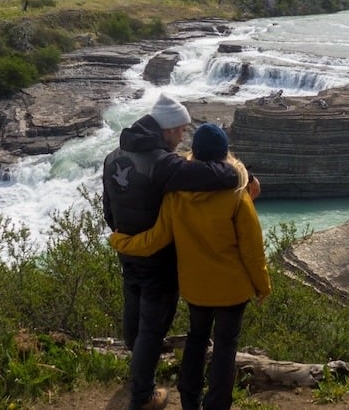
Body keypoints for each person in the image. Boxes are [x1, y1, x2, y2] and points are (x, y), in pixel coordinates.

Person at [102, 94, 255, 410]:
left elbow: (108, 210)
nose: (184, 137)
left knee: (135, 320)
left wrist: (123, 237)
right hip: (157, 259)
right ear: (167, 130)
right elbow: (219, 175)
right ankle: (142, 397)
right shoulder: (162, 163)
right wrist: (243, 174)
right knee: (152, 329)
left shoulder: (114, 156)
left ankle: (138, 377)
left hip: (128, 250)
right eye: (182, 130)